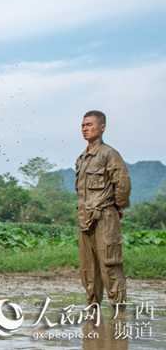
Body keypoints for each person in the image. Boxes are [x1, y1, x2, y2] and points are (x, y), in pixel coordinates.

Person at [76, 110, 131, 310]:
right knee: (88, 269)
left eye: (89, 124)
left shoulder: (109, 154)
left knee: (110, 265)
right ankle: (93, 313)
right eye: (83, 125)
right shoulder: (82, 158)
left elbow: (123, 183)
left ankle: (119, 313)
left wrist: (118, 205)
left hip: (105, 217)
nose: (85, 128)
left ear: (102, 127)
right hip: (84, 219)